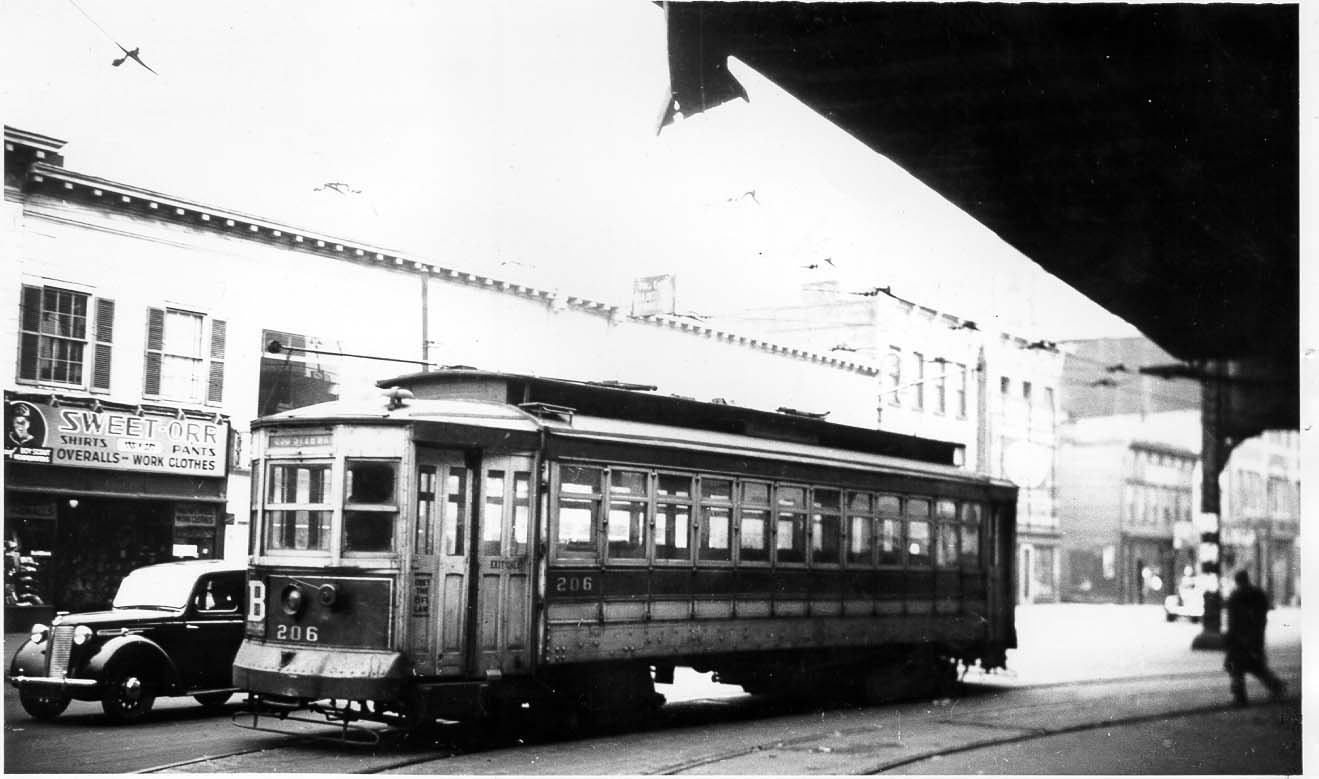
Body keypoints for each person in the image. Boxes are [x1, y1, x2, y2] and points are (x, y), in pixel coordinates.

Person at [1223, 569, 1286, 706]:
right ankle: (1276, 686)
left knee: (1238, 668)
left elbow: (1233, 621)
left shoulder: (1236, 596)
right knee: (1256, 667)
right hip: (1253, 638)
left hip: (1239, 640)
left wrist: (1230, 638)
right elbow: (1261, 619)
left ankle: (1240, 697)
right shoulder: (1257, 594)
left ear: (1237, 581)